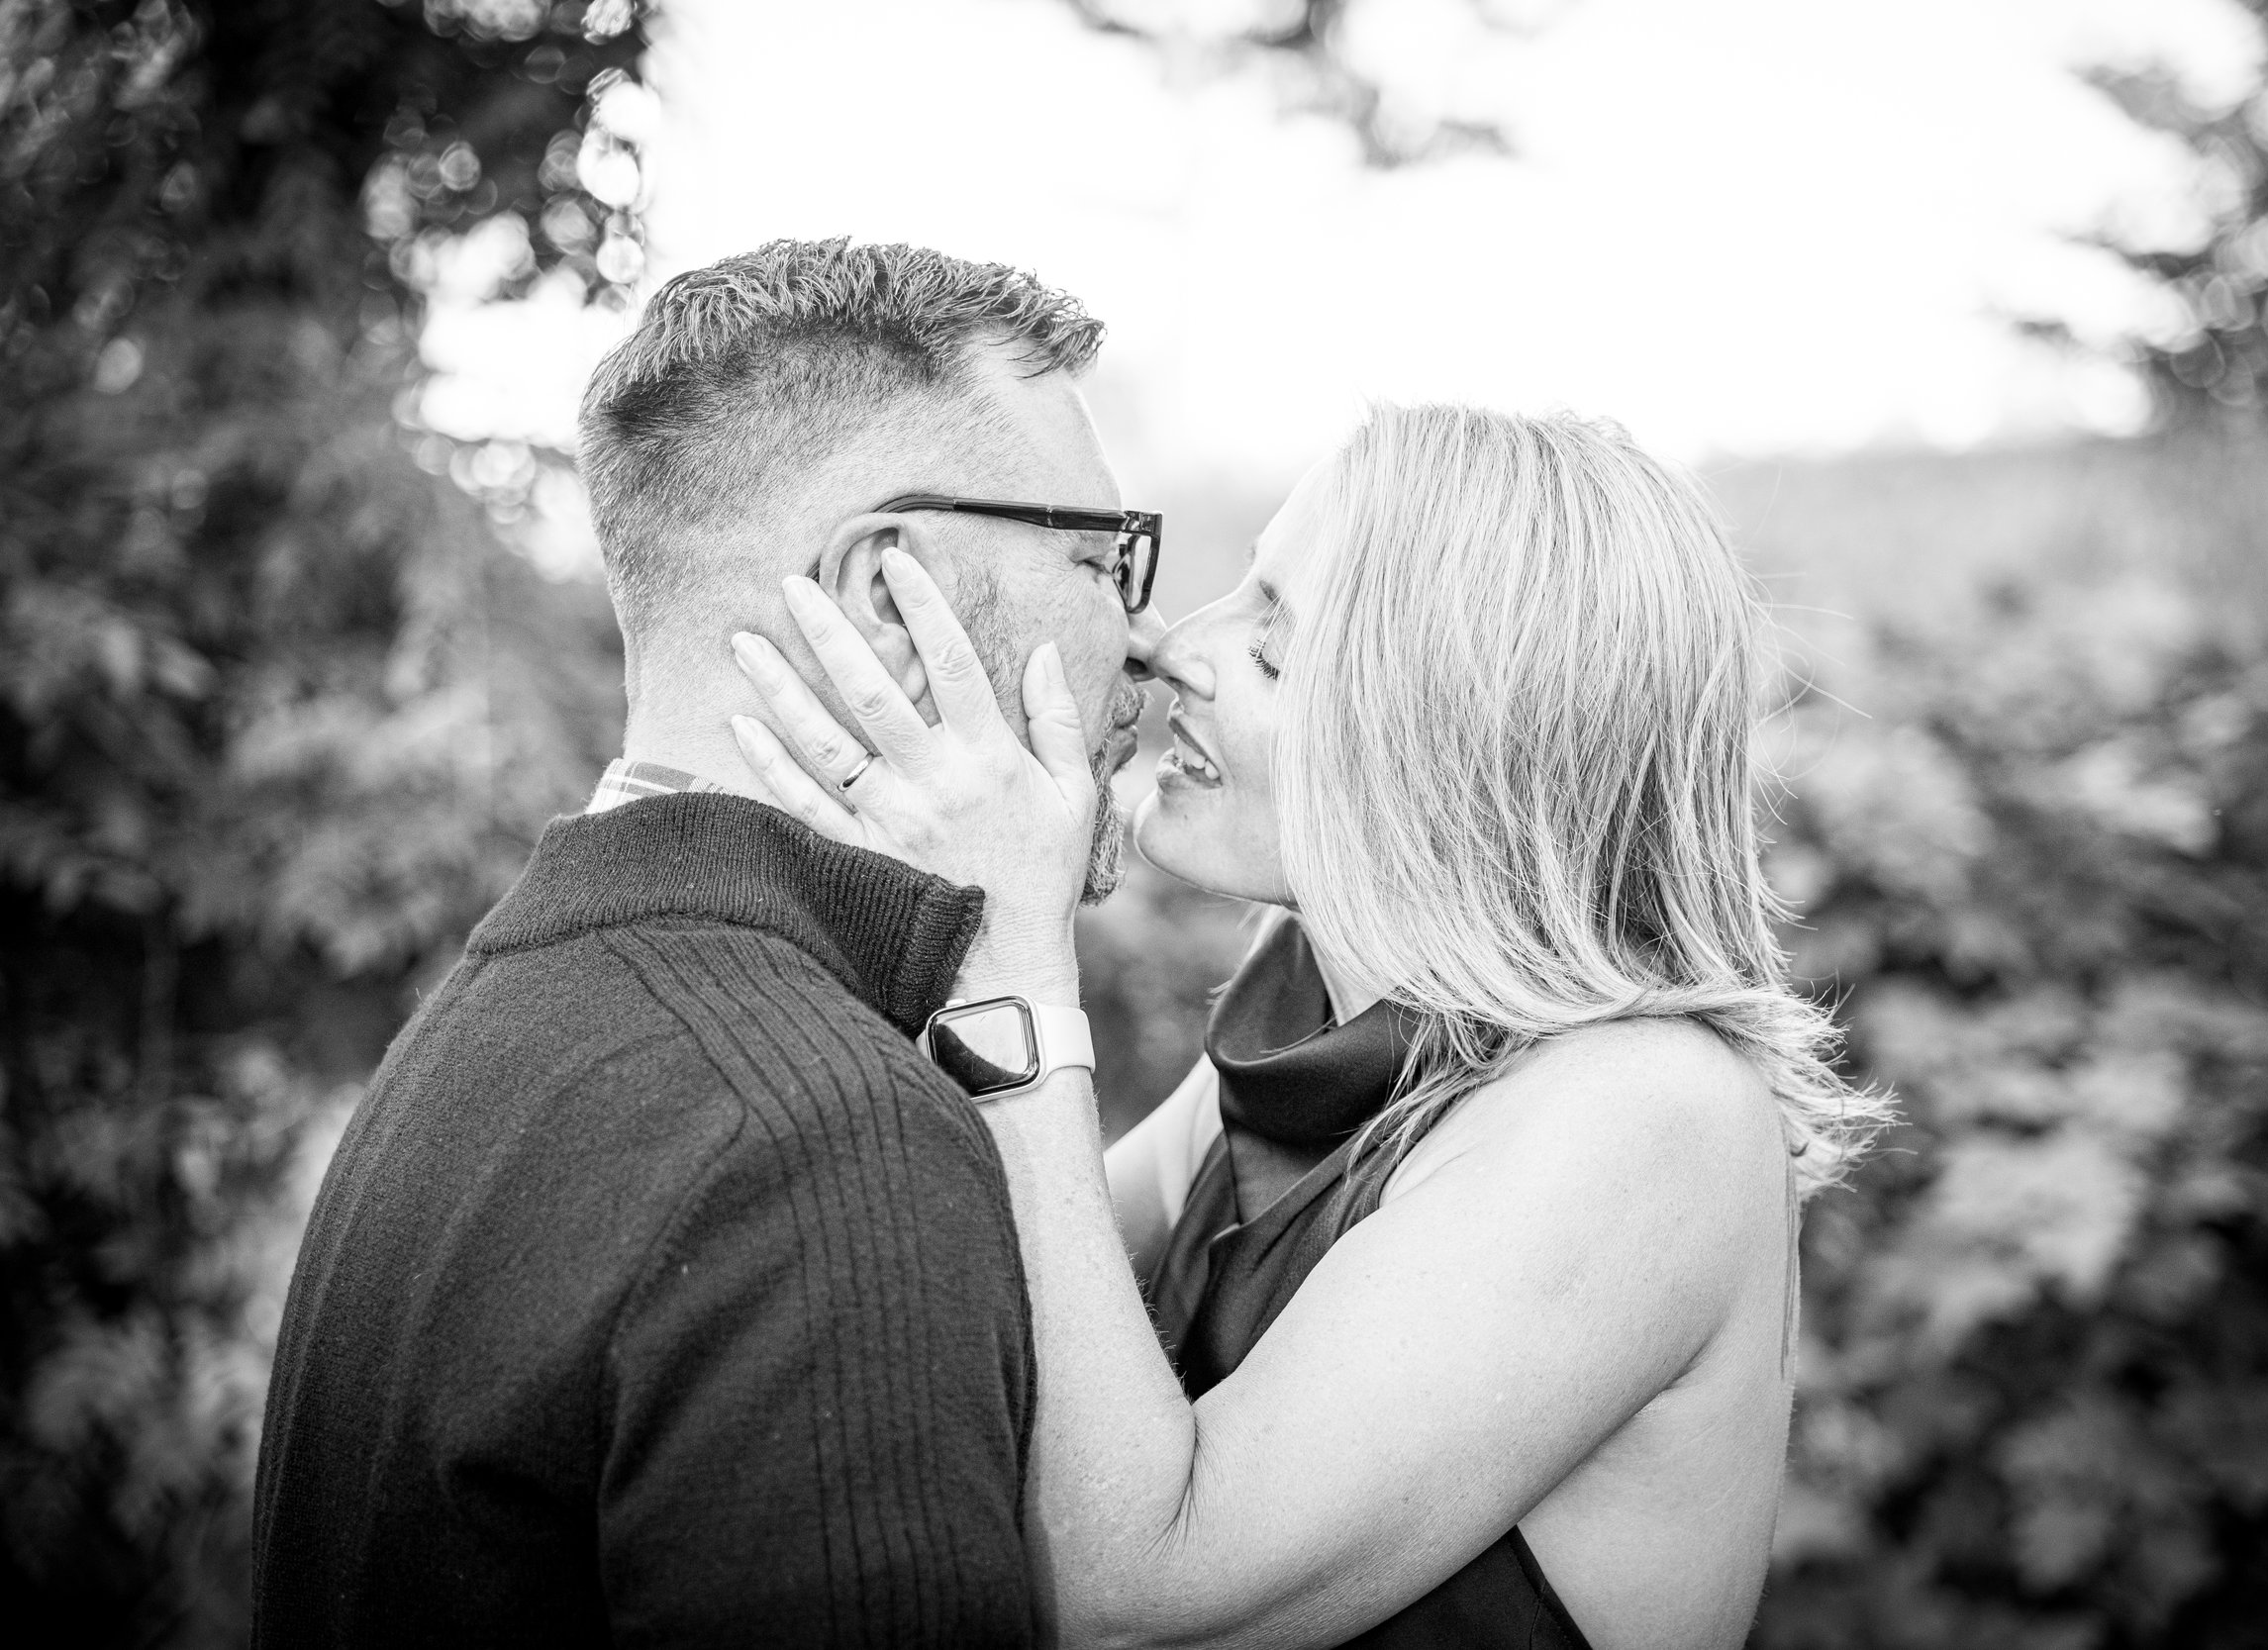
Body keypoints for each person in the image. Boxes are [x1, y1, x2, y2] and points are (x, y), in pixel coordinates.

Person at [729, 403, 1891, 1649]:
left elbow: (1128, 1587)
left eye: (1275, 643)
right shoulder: (1313, 1019)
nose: (1177, 646)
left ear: (1448, 741)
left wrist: (1012, 964)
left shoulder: (1644, 1113)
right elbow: (957, 1298)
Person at [251, 238, 1163, 1646]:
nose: (1143, 643)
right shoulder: (820, 1134)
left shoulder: (495, 1014)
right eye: (1103, 561)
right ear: (885, 593)